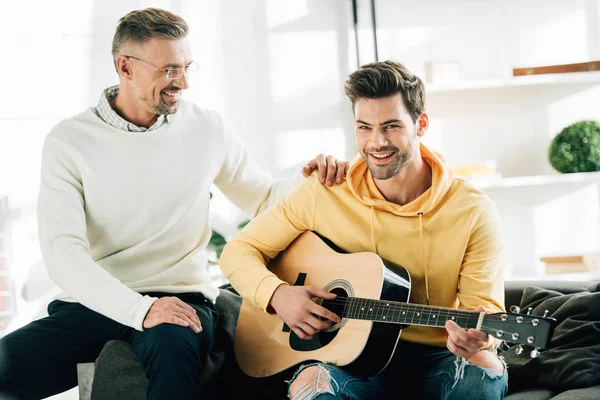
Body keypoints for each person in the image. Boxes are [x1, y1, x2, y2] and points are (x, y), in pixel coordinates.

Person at [0, 8, 348, 400]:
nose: (181, 81)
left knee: (172, 348)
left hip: (183, 301)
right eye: (168, 70)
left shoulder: (207, 127)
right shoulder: (69, 141)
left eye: (185, 67)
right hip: (93, 303)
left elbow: (263, 197)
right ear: (125, 67)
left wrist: (315, 181)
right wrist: (139, 309)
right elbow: (63, 254)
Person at [220, 60, 508, 400]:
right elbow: (238, 251)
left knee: (483, 371)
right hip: (346, 359)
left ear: (421, 124)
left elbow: (485, 314)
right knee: (311, 388)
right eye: (364, 127)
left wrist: (479, 337)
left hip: (439, 356)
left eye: (391, 126)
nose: (377, 142)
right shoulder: (325, 190)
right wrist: (278, 294)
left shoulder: (473, 210)